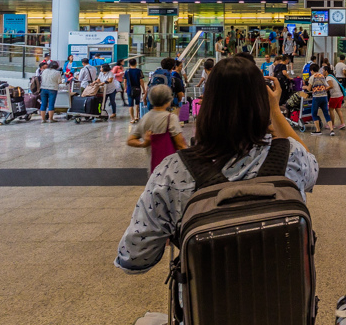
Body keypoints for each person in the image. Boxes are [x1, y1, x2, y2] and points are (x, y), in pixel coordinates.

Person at [115, 57, 319, 272]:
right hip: (285, 300)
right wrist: (275, 111)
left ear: (208, 103)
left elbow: (133, 258)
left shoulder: (172, 171)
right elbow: (312, 170)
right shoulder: (293, 155)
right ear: (261, 103)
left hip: (207, 302)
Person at [126, 84, 186, 173]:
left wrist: (144, 143)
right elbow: (180, 145)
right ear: (168, 100)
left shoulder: (145, 118)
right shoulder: (170, 118)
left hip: (153, 169)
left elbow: (130, 140)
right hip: (171, 168)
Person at [306, 68, 335, 135]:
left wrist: (305, 87)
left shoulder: (312, 77)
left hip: (316, 97)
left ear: (312, 70)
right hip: (324, 96)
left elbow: (308, 89)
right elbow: (326, 86)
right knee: (326, 113)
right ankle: (331, 130)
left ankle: (318, 130)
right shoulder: (322, 76)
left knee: (314, 113)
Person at [125, 58, 145, 124]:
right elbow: (141, 80)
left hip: (130, 89)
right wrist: (144, 89)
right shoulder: (139, 71)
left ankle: (132, 118)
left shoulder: (127, 71)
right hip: (137, 89)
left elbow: (125, 81)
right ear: (136, 63)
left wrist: (125, 88)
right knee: (137, 103)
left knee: (130, 105)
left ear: (129, 64)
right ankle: (137, 116)